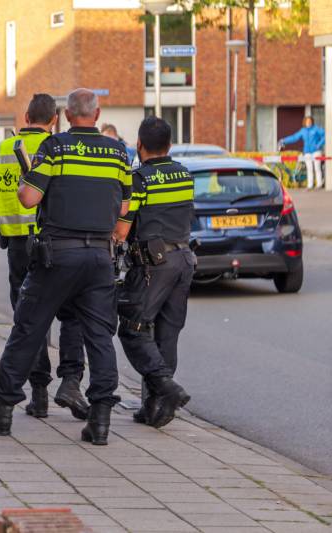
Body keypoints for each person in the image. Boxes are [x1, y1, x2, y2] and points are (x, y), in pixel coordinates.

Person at [0, 88, 131, 446]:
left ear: (65, 116)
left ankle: (2, 406)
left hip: (57, 253)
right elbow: (125, 211)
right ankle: (101, 418)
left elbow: (29, 197)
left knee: (29, 327)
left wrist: (31, 182)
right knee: (99, 335)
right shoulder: (118, 152)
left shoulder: (55, 147)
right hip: (100, 258)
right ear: (97, 112)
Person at [0, 93, 89, 420]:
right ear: (54, 119)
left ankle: (38, 395)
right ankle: (70, 383)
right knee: (69, 313)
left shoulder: (4, 149)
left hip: (16, 245)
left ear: (26, 116)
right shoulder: (58, 147)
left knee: (29, 319)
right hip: (52, 241)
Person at [114, 116, 194, 429]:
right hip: (184, 259)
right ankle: (156, 409)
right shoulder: (185, 175)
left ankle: (167, 389)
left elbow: (122, 230)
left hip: (153, 265)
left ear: (140, 145)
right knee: (167, 334)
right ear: (170, 145)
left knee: (133, 329)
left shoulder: (140, 180)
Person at [279, 116, 326, 189]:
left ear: (312, 122)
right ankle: (310, 185)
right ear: (305, 122)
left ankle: (319, 184)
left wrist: (319, 144)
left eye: (310, 121)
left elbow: (325, 135)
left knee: (317, 168)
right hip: (307, 152)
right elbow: (294, 137)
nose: (308, 123)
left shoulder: (316, 129)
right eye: (307, 121)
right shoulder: (303, 131)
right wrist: (284, 140)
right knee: (309, 168)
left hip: (316, 151)